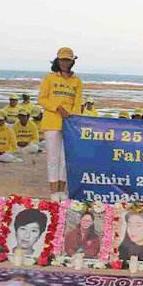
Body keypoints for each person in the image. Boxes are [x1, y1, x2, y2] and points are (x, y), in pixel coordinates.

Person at [38, 47, 83, 199]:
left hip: (69, 124)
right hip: (52, 122)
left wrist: (74, 119)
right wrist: (57, 108)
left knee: (65, 158)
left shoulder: (77, 81)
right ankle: (53, 191)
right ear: (58, 61)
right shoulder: (49, 78)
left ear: (72, 62)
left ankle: (62, 191)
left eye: (68, 60)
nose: (65, 63)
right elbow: (42, 99)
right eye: (62, 60)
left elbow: (77, 104)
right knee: (53, 157)